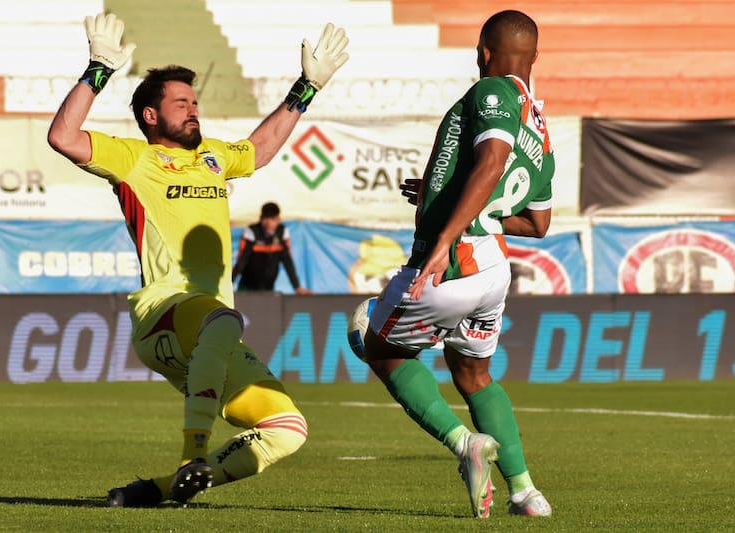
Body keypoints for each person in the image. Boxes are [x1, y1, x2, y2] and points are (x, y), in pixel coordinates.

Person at [47, 12, 348, 507]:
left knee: (287, 428)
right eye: (180, 102)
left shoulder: (212, 155)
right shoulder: (132, 159)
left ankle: (157, 491)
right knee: (222, 317)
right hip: (164, 311)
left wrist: (306, 86)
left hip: (211, 329)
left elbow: (260, 149)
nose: (193, 109)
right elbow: (63, 136)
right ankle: (193, 453)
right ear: (150, 116)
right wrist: (98, 68)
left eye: (195, 102)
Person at [359, 10, 553, 519]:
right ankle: (526, 493)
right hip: (492, 266)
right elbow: (537, 224)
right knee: (473, 375)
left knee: (377, 346)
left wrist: (445, 236)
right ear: (535, 57)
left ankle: (465, 443)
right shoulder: (541, 128)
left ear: (484, 52)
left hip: (456, 259)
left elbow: (490, 161)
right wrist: (440, 196)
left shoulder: (491, 92)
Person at [233, 202, 313, 294]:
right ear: (260, 218)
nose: (269, 222)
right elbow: (242, 260)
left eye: (272, 218)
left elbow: (288, 261)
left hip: (268, 286)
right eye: (265, 218)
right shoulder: (252, 231)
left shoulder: (282, 232)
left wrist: (297, 287)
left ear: (278, 220)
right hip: (247, 286)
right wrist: (231, 282)